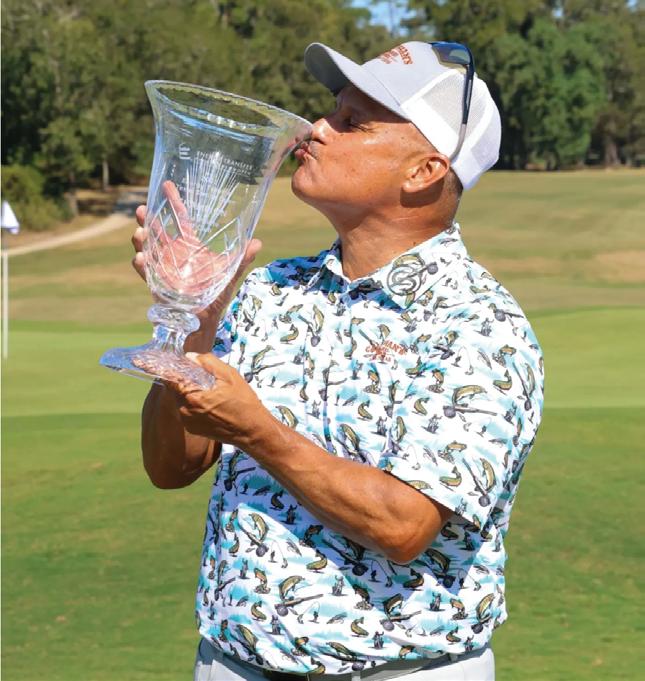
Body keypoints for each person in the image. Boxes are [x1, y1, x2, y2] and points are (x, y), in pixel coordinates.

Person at [131, 41, 544, 681]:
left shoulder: (481, 325)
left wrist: (257, 431)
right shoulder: (270, 289)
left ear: (424, 171)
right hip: (232, 664)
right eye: (333, 110)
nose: (317, 127)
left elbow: (403, 525)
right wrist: (193, 323)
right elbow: (170, 467)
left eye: (353, 122)